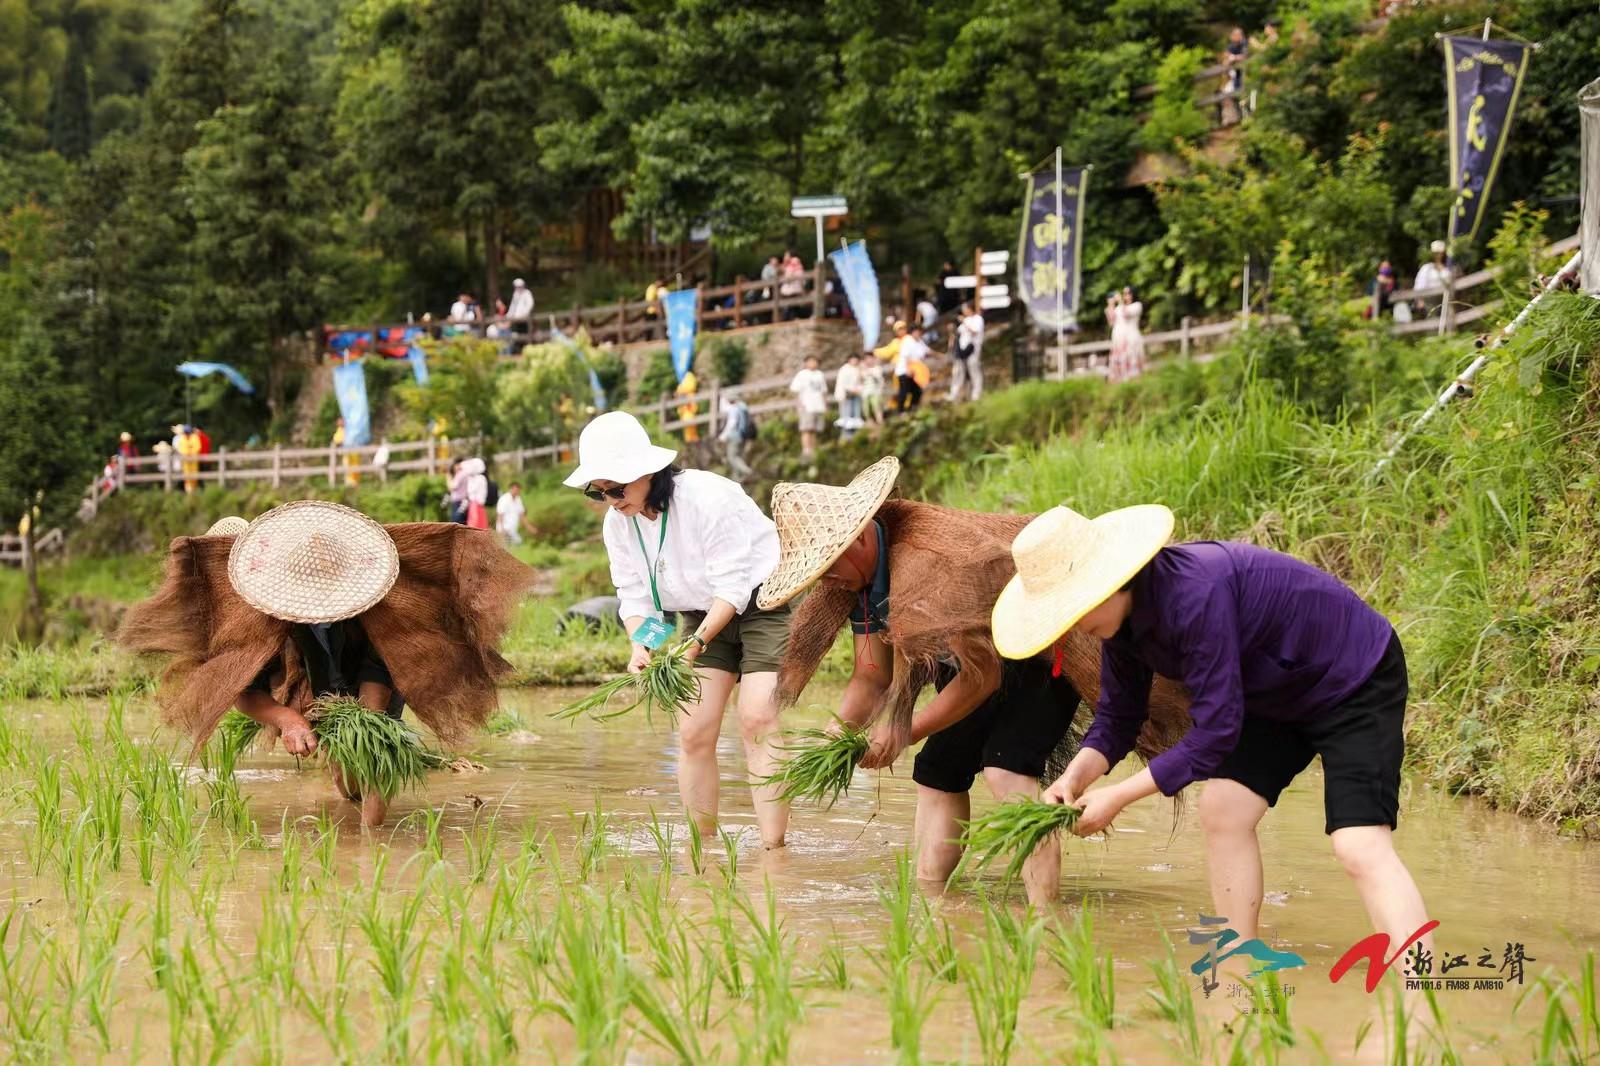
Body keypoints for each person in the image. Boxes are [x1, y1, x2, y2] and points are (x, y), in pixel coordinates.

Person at [991, 505, 1435, 977]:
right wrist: (1074, 778)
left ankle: (1421, 989)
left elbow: (1216, 733)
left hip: (1352, 677)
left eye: (1074, 607)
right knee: (1223, 810)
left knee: (1358, 844)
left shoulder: (1196, 594)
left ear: (1111, 580)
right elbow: (1119, 717)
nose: (1073, 625)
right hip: (1272, 692)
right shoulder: (1120, 628)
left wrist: (1118, 796)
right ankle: (1239, 961)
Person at [763, 461, 1191, 905]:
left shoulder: (929, 563)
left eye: (828, 568)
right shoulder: (855, 580)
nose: (826, 581)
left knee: (1007, 768)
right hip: (973, 649)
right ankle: (932, 900)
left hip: (1041, 648)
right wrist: (840, 736)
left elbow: (982, 678)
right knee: (936, 771)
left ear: (856, 540)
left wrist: (904, 730)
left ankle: (1045, 913)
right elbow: (871, 675)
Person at [119, 501, 533, 828]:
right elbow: (242, 688)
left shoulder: (386, 603)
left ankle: (372, 834)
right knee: (343, 776)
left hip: (382, 671)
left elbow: (381, 671)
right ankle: (350, 798)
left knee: (373, 754)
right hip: (320, 677)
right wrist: (288, 719)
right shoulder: (260, 610)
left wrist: (370, 728)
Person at [563, 411, 792, 848]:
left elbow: (734, 587)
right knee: (693, 731)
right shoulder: (619, 524)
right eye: (599, 491)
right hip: (699, 612)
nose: (611, 499)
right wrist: (641, 645)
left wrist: (694, 645)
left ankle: (772, 851)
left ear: (647, 472)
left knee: (757, 718)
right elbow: (636, 597)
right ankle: (700, 847)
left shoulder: (709, 498)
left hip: (764, 602)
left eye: (617, 487)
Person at [789, 355, 829, 460]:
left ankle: (813, 448)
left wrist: (825, 405)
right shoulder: (802, 375)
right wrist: (799, 403)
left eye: (815, 361)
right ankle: (806, 449)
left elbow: (823, 391)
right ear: (806, 363)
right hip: (807, 405)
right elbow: (795, 390)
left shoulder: (820, 374)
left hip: (818, 405)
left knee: (815, 429)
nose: (813, 363)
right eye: (810, 361)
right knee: (806, 429)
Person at [1106, 286, 1146, 383]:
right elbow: (1111, 321)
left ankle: (1135, 383)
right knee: (1119, 366)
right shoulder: (1119, 308)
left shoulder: (1137, 305)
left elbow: (1126, 314)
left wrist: (1120, 301)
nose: (1125, 296)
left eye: (1128, 293)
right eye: (1124, 294)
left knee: (1132, 364)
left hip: (1131, 340)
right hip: (1119, 342)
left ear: (1133, 295)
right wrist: (1111, 305)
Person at [951, 302, 985, 402]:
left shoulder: (978, 319)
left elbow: (975, 331)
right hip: (962, 349)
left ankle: (976, 394)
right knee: (958, 371)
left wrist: (964, 322)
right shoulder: (966, 319)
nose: (963, 311)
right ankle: (954, 394)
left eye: (965, 309)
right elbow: (958, 332)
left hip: (973, 348)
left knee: (974, 370)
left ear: (970, 309)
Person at [894, 324, 929, 413]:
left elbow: (927, 351)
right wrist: (908, 369)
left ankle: (912, 409)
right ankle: (900, 411)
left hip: (915, 372)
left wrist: (940, 355)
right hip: (905, 371)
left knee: (917, 391)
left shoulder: (919, 341)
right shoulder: (907, 340)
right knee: (904, 391)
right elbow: (906, 356)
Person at [1411, 241, 1452, 319]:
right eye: (1436, 253)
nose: (1438, 255)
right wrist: (1419, 300)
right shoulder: (1427, 268)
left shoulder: (1447, 269)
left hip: (1444, 299)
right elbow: (1419, 285)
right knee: (1432, 321)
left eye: (1440, 253)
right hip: (1429, 301)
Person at [719, 395, 755, 481]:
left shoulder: (734, 409)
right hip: (742, 435)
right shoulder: (742, 407)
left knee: (732, 457)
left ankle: (748, 472)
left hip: (734, 436)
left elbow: (732, 423)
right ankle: (736, 479)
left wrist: (723, 436)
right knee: (738, 456)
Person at [834, 353, 864, 436]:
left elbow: (860, 382)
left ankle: (855, 436)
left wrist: (858, 390)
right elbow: (843, 384)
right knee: (846, 417)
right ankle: (847, 437)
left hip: (856, 395)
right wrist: (852, 390)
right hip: (846, 396)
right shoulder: (845, 369)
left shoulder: (858, 369)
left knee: (856, 417)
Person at [462, 457, 490, 530]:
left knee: (477, 524)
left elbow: (478, 493)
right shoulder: (472, 478)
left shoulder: (480, 478)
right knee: (473, 524)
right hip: (473, 504)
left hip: (477, 504)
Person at [331, 417, 360, 486]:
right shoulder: (339, 431)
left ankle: (355, 483)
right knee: (347, 468)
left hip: (354, 452)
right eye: (340, 421)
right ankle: (349, 483)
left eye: (342, 421)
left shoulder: (350, 430)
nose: (341, 423)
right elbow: (337, 440)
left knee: (355, 467)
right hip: (346, 453)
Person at [860, 351, 886, 426]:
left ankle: (880, 422)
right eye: (867, 359)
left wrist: (871, 373)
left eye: (870, 358)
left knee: (877, 406)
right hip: (865, 392)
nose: (869, 360)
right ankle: (869, 422)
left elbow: (879, 380)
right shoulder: (862, 369)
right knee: (866, 408)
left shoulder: (877, 368)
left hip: (876, 391)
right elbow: (860, 380)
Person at [175, 424, 203, 494]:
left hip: (194, 461)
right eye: (186, 432)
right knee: (187, 477)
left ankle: (194, 491)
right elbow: (181, 449)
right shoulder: (182, 439)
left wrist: (190, 452)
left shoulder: (195, 438)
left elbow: (197, 447)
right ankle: (188, 491)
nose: (187, 434)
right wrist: (187, 452)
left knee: (194, 476)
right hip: (185, 462)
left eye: (188, 432)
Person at [675, 370, 701, 443]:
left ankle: (692, 443)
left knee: (690, 433)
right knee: (690, 433)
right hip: (688, 415)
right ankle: (692, 443)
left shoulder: (684, 392)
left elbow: (692, 406)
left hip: (688, 415)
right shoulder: (687, 393)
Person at [445, 459, 469, 524]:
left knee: (457, 523)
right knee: (461, 524)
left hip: (459, 503)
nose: (455, 467)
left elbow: (452, 487)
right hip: (460, 502)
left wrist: (448, 478)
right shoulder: (464, 474)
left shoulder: (460, 474)